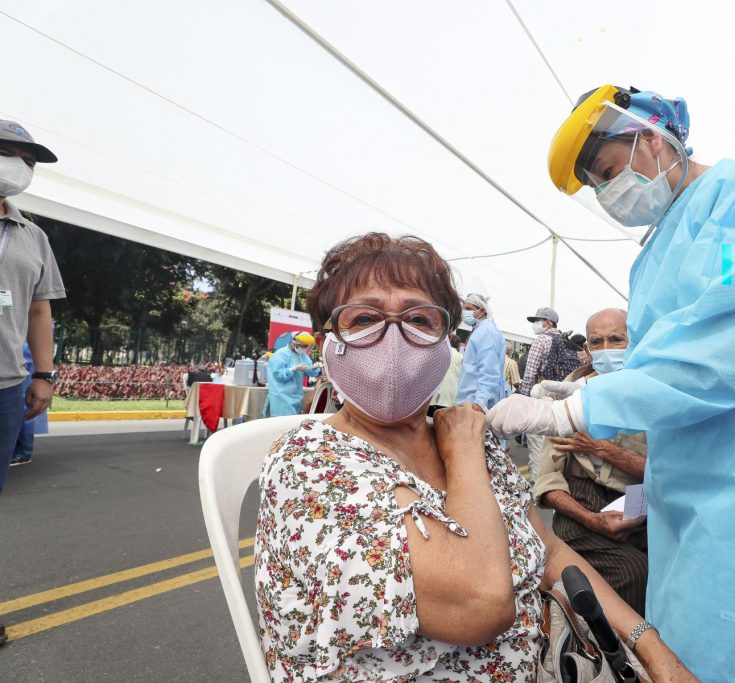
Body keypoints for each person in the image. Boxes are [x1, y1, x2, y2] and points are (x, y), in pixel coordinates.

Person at [487, 85, 735, 681]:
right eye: (597, 188)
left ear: (651, 138)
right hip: (688, 495)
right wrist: (588, 391)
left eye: (609, 173)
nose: (609, 196)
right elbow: (668, 354)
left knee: (722, 662)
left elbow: (726, 343)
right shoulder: (660, 247)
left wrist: (575, 412)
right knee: (670, 650)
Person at [254, 233, 692, 681]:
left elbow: (548, 549)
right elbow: (479, 605)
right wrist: (464, 453)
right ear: (327, 342)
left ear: (446, 341)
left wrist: (652, 649)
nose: (394, 337)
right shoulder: (310, 461)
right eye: (365, 317)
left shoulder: (460, 433)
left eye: (419, 319)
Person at [533, 308, 648, 615]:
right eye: (597, 342)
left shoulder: (650, 396)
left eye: (617, 339)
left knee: (662, 570)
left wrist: (603, 449)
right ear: (587, 348)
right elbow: (547, 481)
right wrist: (591, 519)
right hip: (580, 503)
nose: (606, 349)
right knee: (633, 571)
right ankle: (618, 644)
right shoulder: (568, 396)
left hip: (636, 500)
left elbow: (661, 472)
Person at [0, 120, 63, 647]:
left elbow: (39, 311)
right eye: (10, 153)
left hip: (6, 385)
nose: (21, 167)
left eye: (29, 160)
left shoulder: (33, 236)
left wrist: (43, 374)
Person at [519, 306, 580, 478]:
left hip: (542, 400)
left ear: (547, 322)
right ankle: (557, 480)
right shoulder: (568, 342)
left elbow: (530, 372)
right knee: (557, 447)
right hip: (564, 404)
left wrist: (524, 398)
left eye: (537, 321)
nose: (534, 324)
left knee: (537, 446)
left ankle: (539, 485)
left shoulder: (541, 340)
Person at [454, 293, 507, 410]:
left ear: (482, 311)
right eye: (463, 308)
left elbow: (489, 372)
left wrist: (480, 404)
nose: (464, 312)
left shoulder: (486, 332)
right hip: (468, 403)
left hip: (474, 406)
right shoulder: (480, 331)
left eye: (468, 308)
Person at [263, 331, 320, 417]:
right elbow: (278, 375)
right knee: (281, 423)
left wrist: (315, 368)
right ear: (294, 343)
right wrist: (293, 369)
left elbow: (309, 371)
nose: (304, 348)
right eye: (302, 346)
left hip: (295, 397)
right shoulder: (280, 354)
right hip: (281, 397)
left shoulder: (303, 356)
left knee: (292, 422)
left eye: (306, 346)